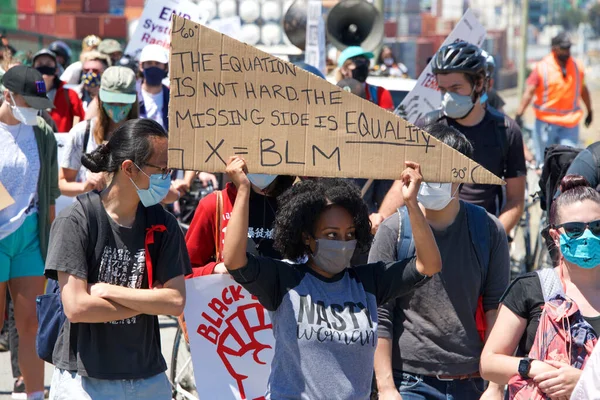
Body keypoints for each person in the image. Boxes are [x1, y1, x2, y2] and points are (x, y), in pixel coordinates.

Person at [222, 156, 442, 399]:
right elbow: (234, 261)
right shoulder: (284, 279)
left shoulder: (368, 282)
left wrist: (411, 203)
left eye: (349, 234)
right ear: (307, 237)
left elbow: (428, 265)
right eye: (331, 234)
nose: (343, 243)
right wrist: (242, 190)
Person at [44, 118, 191, 399]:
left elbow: (175, 301)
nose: (167, 178)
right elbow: (76, 307)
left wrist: (108, 292)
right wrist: (148, 302)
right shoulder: (76, 220)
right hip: (84, 382)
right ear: (129, 169)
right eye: (161, 169)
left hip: (148, 378)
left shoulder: (164, 223)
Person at [371, 124, 510, 400]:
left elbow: (499, 311)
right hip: (409, 383)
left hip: (471, 383)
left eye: (441, 170)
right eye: (425, 169)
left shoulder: (489, 231)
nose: (429, 179)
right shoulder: (393, 230)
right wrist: (386, 388)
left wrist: (495, 386)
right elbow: (379, 314)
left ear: (462, 175)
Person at [374, 41, 526, 235]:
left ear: (479, 83)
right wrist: (381, 219)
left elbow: (515, 200)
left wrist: (492, 239)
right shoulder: (427, 126)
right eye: (443, 90)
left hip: (479, 233)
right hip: (428, 233)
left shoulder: (506, 131)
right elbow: (403, 182)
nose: (448, 97)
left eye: (456, 89)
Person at [480, 175, 600, 399]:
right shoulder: (530, 288)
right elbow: (489, 362)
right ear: (555, 236)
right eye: (574, 229)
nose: (587, 236)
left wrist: (585, 383)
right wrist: (532, 367)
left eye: (597, 227)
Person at [0, 65, 60, 400]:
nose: (34, 109)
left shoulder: (43, 132)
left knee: (29, 326)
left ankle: (35, 395)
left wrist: (53, 244)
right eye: (29, 101)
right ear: (8, 95)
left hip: (30, 236)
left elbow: (49, 192)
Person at [186, 174, 295, 276]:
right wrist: (215, 269)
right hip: (230, 294)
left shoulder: (296, 206)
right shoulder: (214, 204)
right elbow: (184, 273)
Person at [59, 66, 138, 197]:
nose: (117, 107)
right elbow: (62, 183)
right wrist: (85, 185)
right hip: (91, 213)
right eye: (111, 102)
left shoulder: (145, 134)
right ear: (101, 99)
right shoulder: (82, 132)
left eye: (123, 102)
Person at [515, 32, 593, 164]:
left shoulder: (577, 67)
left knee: (569, 164)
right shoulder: (542, 67)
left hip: (569, 124)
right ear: (554, 48)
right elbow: (529, 92)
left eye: (568, 48)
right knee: (545, 164)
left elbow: (583, 90)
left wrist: (590, 111)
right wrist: (519, 113)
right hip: (546, 125)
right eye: (563, 48)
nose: (567, 51)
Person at [32, 49, 85, 132]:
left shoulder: (70, 95)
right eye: (40, 64)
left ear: (56, 70)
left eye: (49, 64)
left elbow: (79, 121)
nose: (44, 67)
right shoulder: (25, 95)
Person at [338, 46, 395, 110]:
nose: (363, 66)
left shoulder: (380, 93)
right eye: (358, 62)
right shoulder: (334, 94)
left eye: (366, 62)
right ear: (344, 69)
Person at [137, 44, 170, 131]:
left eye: (157, 63)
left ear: (165, 67)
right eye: (149, 63)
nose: (153, 67)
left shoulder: (173, 97)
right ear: (141, 66)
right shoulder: (132, 96)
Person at [79, 51, 111, 116]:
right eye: (86, 70)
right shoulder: (75, 95)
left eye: (95, 71)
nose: (90, 74)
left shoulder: (111, 98)